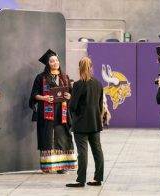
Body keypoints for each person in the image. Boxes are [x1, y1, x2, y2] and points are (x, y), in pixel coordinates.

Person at [29, 49, 77, 174]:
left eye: (56, 60)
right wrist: (43, 98)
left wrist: (69, 96)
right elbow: (34, 95)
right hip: (47, 113)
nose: (55, 63)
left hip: (62, 113)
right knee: (48, 138)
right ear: (47, 64)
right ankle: (49, 165)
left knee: (62, 137)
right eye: (52, 61)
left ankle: (62, 166)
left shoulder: (65, 77)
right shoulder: (41, 77)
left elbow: (71, 93)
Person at [66, 57, 104, 187]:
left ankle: (80, 179)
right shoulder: (98, 84)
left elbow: (72, 106)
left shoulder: (78, 84)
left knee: (82, 153)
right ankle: (98, 178)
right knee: (97, 151)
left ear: (79, 68)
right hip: (95, 122)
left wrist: (70, 98)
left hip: (81, 123)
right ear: (91, 67)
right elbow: (100, 106)